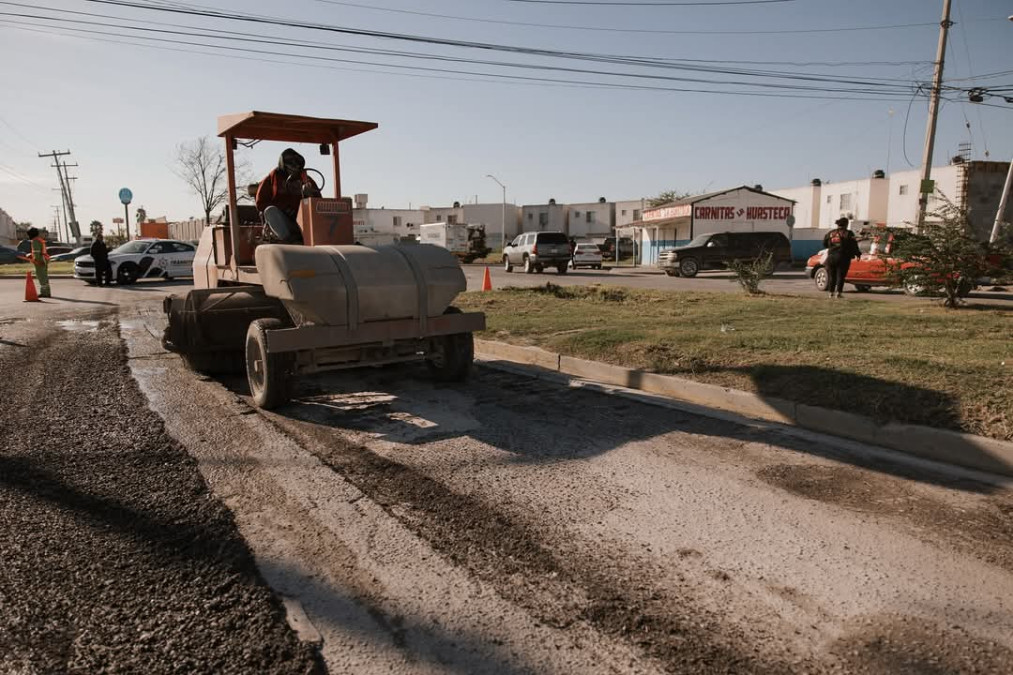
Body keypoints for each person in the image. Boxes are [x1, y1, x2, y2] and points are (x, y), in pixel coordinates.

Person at [254, 148, 321, 244]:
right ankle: (290, 241)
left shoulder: (306, 180)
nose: (294, 166)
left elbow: (319, 204)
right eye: (291, 163)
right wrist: (283, 208)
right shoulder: (273, 178)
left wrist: (310, 194)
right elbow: (260, 203)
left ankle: (318, 239)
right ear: (283, 164)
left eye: (297, 163)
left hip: (305, 223)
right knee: (270, 211)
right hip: (284, 222)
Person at [823, 217, 861, 298]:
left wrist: (832, 248)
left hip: (831, 257)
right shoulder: (848, 233)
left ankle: (831, 293)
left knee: (832, 276)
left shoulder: (831, 233)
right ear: (846, 224)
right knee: (840, 275)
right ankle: (838, 293)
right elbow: (853, 245)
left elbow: (824, 243)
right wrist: (858, 254)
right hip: (842, 257)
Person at [18, 227, 51, 298]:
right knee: (44, 276)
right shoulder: (40, 240)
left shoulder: (35, 241)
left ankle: (44, 293)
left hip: (40, 260)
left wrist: (35, 260)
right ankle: (47, 292)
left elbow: (36, 252)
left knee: (41, 276)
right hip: (44, 259)